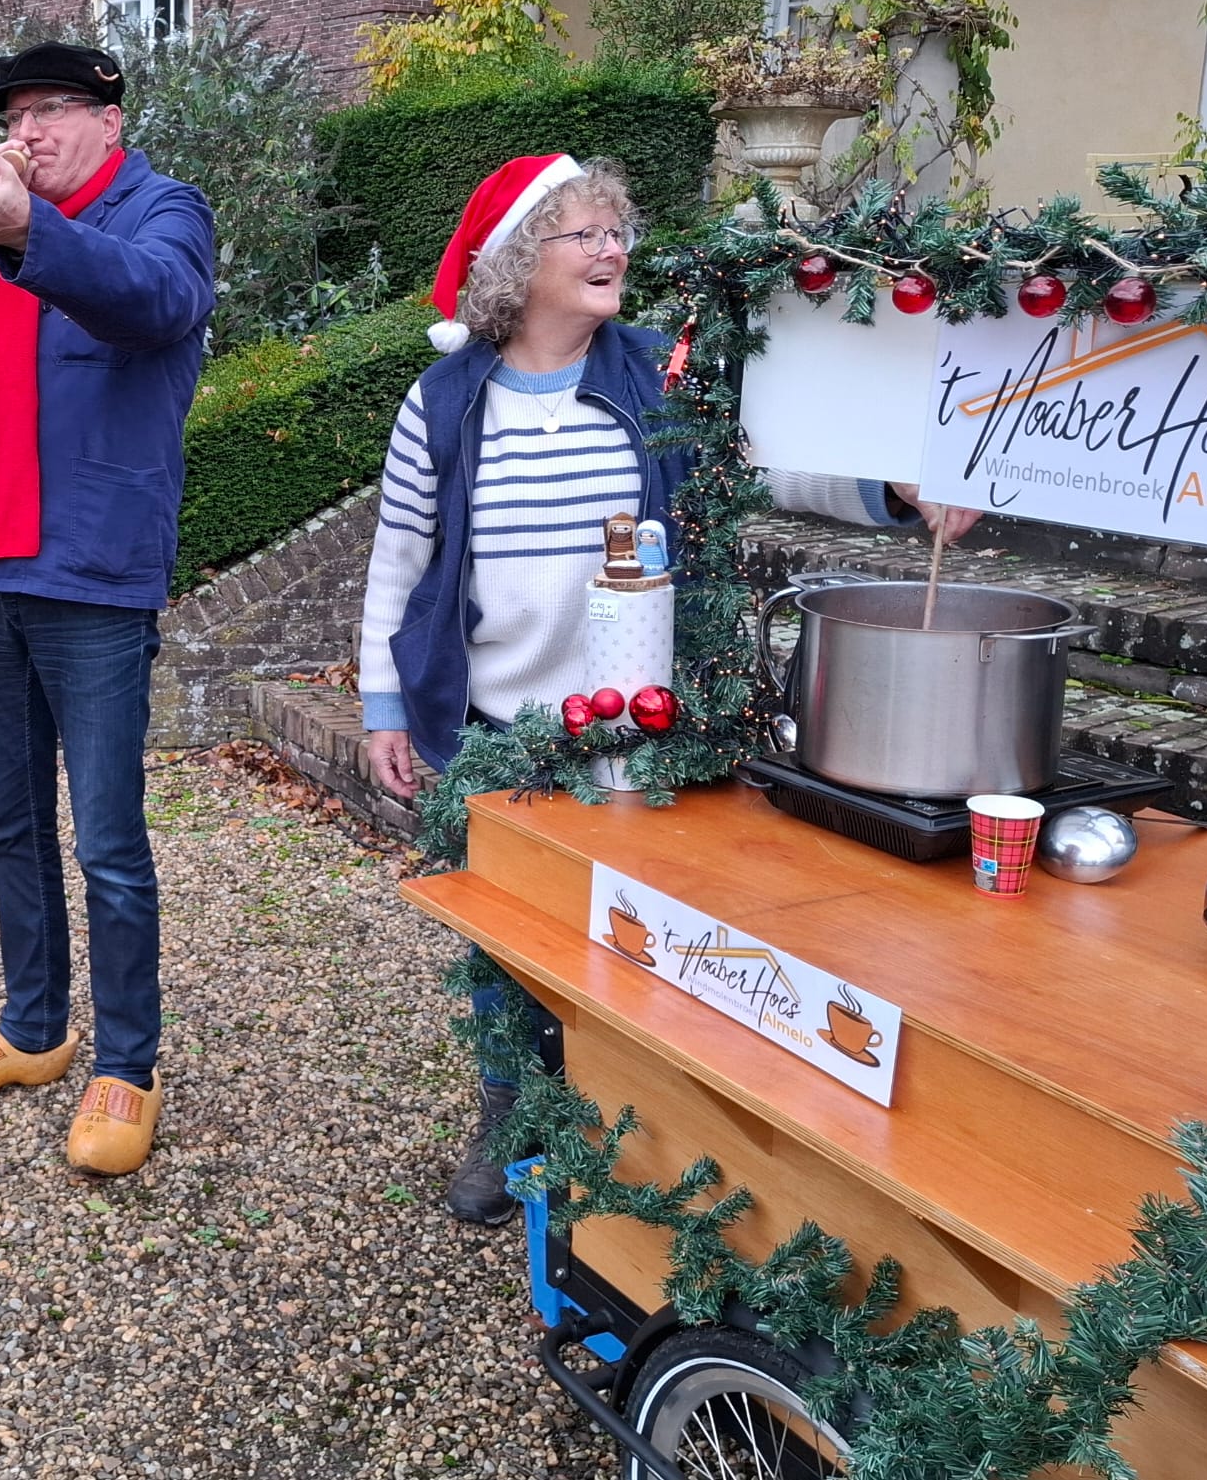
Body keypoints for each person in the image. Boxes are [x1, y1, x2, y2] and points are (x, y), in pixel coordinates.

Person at [357, 153, 975, 1223]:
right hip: (491, 724)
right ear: (518, 259)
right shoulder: (444, 401)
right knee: (502, 940)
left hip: (640, 724)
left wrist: (891, 480)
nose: (613, 250)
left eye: (617, 232)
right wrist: (381, 705)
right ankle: (510, 1107)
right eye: (585, 234)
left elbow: (767, 460)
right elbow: (398, 560)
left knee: (640, 930)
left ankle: (633, 1126)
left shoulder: (664, 369)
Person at [0, 42, 216, 1177]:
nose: (27, 131)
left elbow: (157, 301)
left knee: (109, 844)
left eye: (52, 110)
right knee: (11, 823)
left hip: (93, 570)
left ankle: (127, 1062)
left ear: (110, 121)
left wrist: (28, 229)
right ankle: (33, 1028)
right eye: (14, 115)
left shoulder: (163, 211)